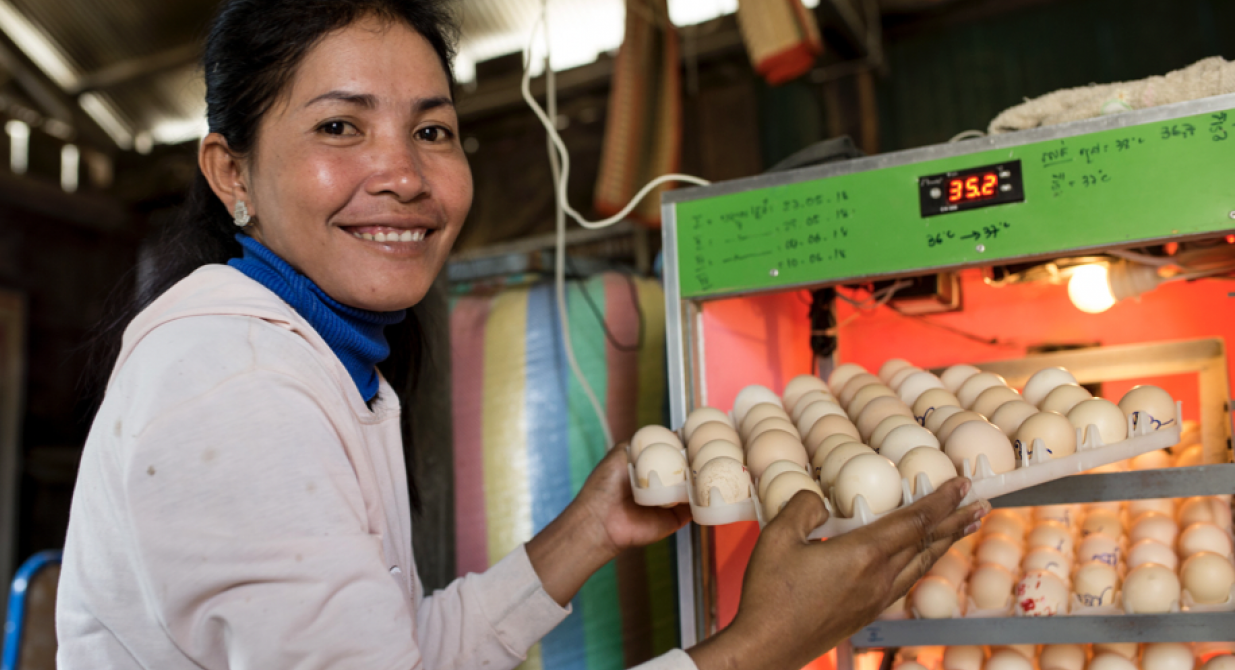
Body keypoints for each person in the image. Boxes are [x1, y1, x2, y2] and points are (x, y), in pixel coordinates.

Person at [55, 1, 989, 668]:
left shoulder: (325, 356)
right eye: (340, 126)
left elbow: (401, 654)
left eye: (434, 131)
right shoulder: (237, 378)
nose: (403, 175)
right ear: (232, 172)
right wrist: (757, 649)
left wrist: (582, 534)